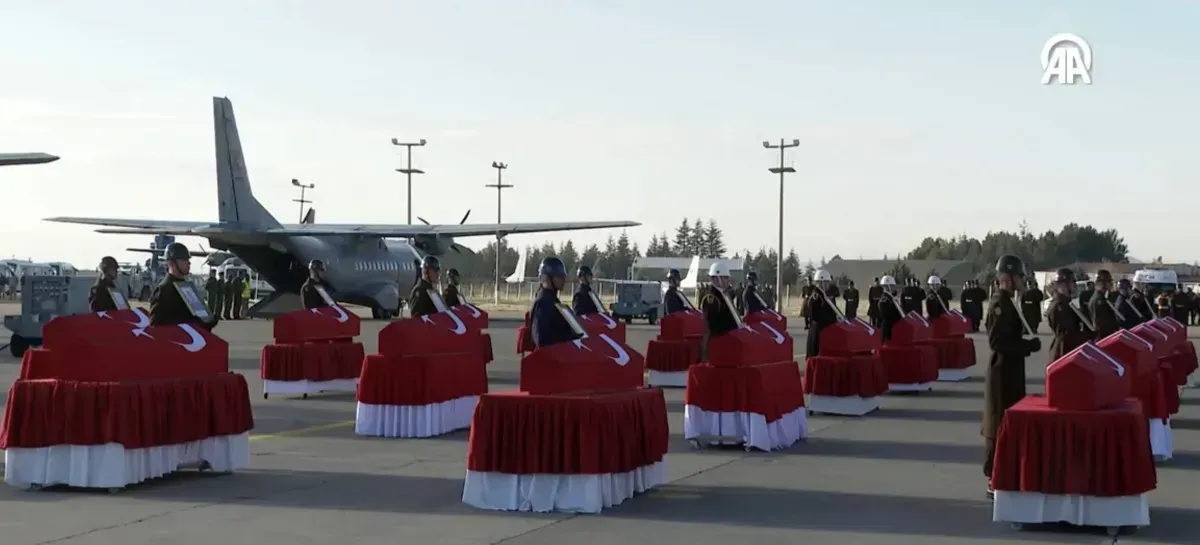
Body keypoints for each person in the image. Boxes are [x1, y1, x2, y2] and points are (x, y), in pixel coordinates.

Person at [983, 254, 1041, 496]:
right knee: (998, 424)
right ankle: (994, 476)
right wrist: (1026, 346)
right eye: (1019, 277)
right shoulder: (1000, 304)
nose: (1022, 281)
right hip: (1002, 372)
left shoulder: (1010, 301)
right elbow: (997, 342)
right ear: (1009, 278)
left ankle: (1004, 473)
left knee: (1007, 422)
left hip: (1011, 369)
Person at [149, 242, 217, 330]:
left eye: (188, 259)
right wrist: (187, 324)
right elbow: (156, 326)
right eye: (184, 260)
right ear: (172, 263)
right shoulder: (164, 290)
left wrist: (206, 322)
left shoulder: (186, 287)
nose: (189, 263)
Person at [530, 256, 583, 348]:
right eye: (559, 276)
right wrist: (568, 339)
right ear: (547, 278)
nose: (563, 279)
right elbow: (541, 340)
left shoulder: (553, 300)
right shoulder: (542, 303)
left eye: (563, 276)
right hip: (552, 358)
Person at [700, 262, 740, 360]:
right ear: (717, 278)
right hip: (716, 343)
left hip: (725, 342)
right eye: (725, 278)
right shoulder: (711, 297)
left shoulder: (723, 295)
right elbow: (713, 325)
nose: (728, 281)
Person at [1046, 268, 1089, 360]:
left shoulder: (1067, 303)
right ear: (1063, 285)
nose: (1074, 286)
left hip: (1068, 351)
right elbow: (1067, 335)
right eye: (1072, 283)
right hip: (1063, 352)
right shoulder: (1059, 306)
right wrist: (1086, 336)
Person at [804, 270, 840, 358]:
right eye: (826, 282)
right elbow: (816, 317)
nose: (828, 285)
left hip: (824, 330)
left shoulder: (824, 295)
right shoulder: (816, 296)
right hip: (818, 331)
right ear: (820, 282)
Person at [1088, 270, 1121, 339]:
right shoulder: (1099, 300)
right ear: (1103, 284)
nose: (1111, 284)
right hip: (1104, 337)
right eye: (1109, 282)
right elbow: (1104, 323)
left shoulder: (1101, 297)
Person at [877, 275, 904, 342]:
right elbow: (885, 315)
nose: (894, 288)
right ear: (887, 286)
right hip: (888, 329)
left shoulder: (892, 298)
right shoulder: (884, 299)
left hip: (894, 326)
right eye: (892, 286)